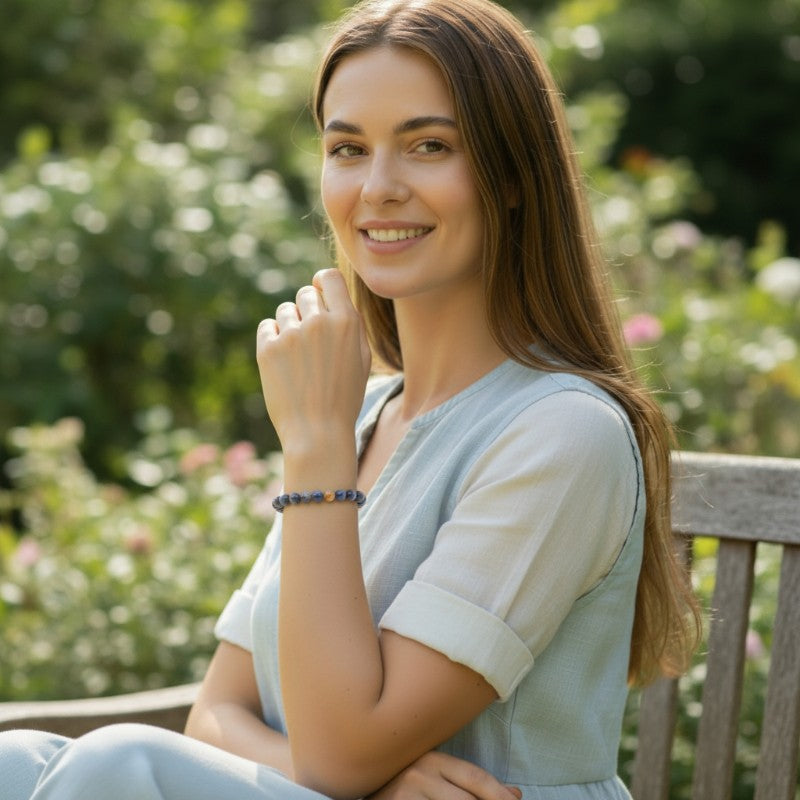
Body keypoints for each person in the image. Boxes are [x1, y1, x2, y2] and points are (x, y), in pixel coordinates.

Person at [0, 1, 701, 798]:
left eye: (429, 146)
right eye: (348, 149)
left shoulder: (561, 433)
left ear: (513, 176)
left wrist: (314, 448)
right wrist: (378, 783)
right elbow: (216, 715)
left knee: (117, 764)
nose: (378, 188)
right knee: (11, 761)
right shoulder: (362, 417)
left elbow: (335, 759)